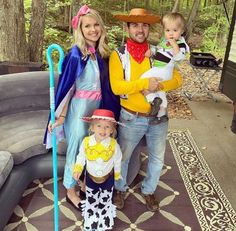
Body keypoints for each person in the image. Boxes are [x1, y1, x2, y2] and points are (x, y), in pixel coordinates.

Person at [43, 5, 117, 210]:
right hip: (78, 110)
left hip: (96, 111)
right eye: (87, 26)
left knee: (92, 147)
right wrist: (61, 116)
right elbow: (68, 88)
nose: (92, 29)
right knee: (76, 150)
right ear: (80, 30)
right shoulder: (76, 54)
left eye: (95, 25)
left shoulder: (100, 54)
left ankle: (82, 181)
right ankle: (69, 190)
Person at [109, 8, 183, 212]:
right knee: (122, 156)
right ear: (127, 28)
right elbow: (117, 87)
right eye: (135, 25)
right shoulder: (119, 55)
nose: (140, 29)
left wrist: (159, 86)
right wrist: (142, 85)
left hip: (159, 117)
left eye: (144, 25)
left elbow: (178, 79)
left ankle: (149, 190)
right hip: (131, 117)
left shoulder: (161, 50)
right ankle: (119, 188)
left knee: (158, 159)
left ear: (149, 28)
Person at [73, 109, 122, 231]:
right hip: (90, 178)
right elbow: (81, 157)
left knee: (105, 198)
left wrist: (117, 174)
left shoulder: (114, 144)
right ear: (92, 127)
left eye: (107, 127)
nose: (103, 130)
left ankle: (104, 218)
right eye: (99, 126)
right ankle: (91, 218)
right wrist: (78, 168)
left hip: (108, 178)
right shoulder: (86, 142)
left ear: (112, 130)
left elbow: (117, 159)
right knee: (92, 198)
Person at [141, 12, 189, 119]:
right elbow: (159, 50)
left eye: (175, 30)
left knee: (142, 80)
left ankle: (152, 99)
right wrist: (151, 51)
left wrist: (174, 45)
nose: (171, 33)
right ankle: (162, 110)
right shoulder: (164, 41)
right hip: (160, 69)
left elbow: (179, 58)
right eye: (168, 30)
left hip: (164, 69)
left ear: (182, 31)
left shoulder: (180, 43)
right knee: (160, 90)